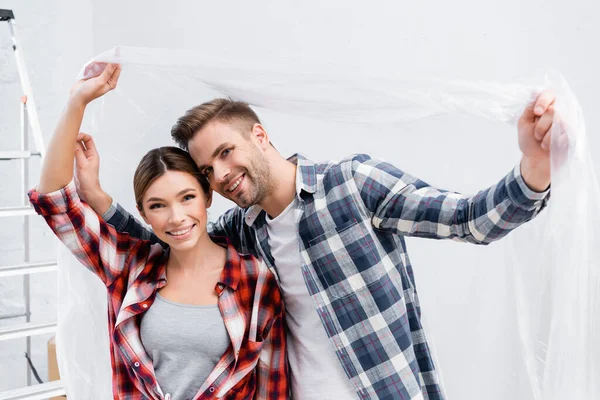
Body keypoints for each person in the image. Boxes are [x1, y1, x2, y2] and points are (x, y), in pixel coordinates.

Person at [80, 88, 558, 399]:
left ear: (260, 135)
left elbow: (469, 220)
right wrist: (100, 199)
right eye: (207, 171)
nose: (221, 176)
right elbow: (173, 236)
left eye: (226, 153)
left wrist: (533, 165)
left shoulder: (352, 184)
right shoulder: (243, 230)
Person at [28, 64, 288, 400]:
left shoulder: (256, 279)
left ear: (208, 196)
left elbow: (273, 388)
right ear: (143, 214)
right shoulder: (129, 267)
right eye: (158, 205)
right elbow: (54, 202)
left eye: (187, 198)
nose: (176, 217)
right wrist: (77, 101)